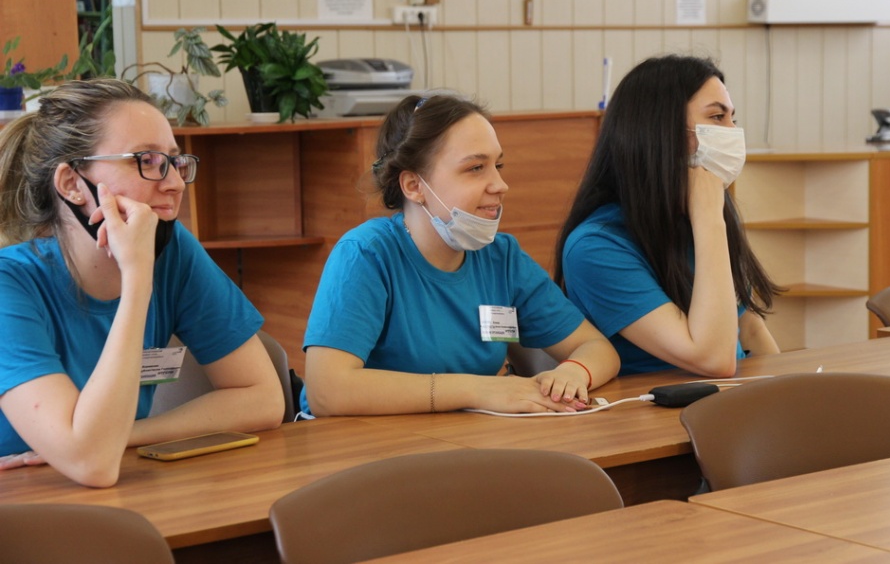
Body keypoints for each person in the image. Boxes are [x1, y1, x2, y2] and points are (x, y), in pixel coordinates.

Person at [0, 79, 283, 487]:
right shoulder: (9, 284)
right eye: (146, 161)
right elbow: (92, 464)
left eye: (174, 161)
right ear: (72, 184)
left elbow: (263, 397)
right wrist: (137, 278)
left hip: (109, 492)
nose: (174, 183)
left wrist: (127, 436)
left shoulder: (173, 251)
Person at [301, 94, 619, 417]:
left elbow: (597, 348)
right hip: (361, 442)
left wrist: (573, 372)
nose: (500, 184)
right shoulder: (366, 254)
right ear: (414, 186)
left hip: (459, 437)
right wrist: (479, 390)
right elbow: (327, 392)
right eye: (476, 168)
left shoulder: (502, 257)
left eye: (498, 166)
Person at [555, 54, 782, 379]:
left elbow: (750, 329)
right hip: (659, 408)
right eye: (717, 117)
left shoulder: (699, 212)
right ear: (661, 132)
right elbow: (712, 360)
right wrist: (709, 220)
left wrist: (789, 392)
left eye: (732, 118)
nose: (733, 132)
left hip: (727, 399)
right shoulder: (595, 247)